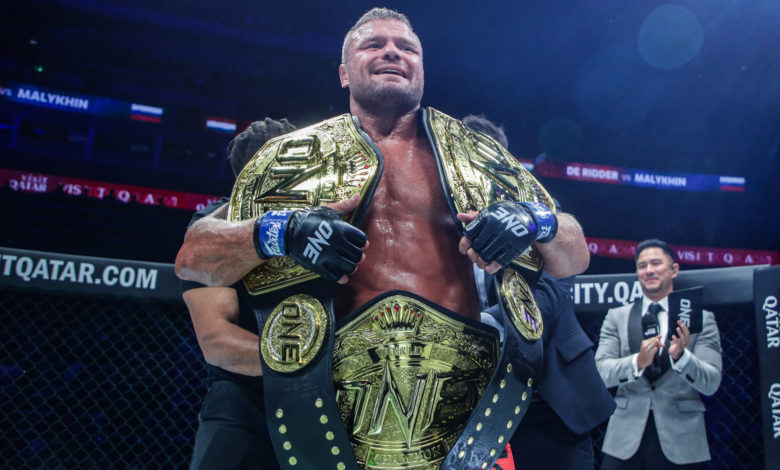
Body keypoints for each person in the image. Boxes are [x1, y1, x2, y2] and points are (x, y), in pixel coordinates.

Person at [175, 8, 590, 470]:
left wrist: (535, 220)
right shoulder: (294, 158)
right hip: (332, 405)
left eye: (406, 47)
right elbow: (195, 258)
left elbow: (574, 256)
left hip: (457, 404)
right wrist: (282, 231)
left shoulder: (475, 158)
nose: (392, 51)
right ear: (343, 73)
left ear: (421, 69)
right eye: (374, 45)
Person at [462, 114, 615, 469]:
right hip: (465, 393)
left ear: (503, 160)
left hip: (546, 393)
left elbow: (551, 290)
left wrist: (478, 327)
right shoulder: (433, 216)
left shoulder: (536, 208)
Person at [182, 118, 296, 470]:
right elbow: (218, 342)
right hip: (244, 401)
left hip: (328, 403)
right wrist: (310, 369)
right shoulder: (214, 231)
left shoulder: (330, 216)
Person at [595, 239, 722, 469]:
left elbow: (711, 382)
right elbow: (601, 374)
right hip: (624, 441)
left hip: (683, 442)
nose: (649, 270)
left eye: (656, 263)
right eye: (642, 266)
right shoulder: (617, 317)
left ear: (674, 270)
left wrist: (682, 358)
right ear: (637, 272)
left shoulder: (701, 319)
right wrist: (637, 362)